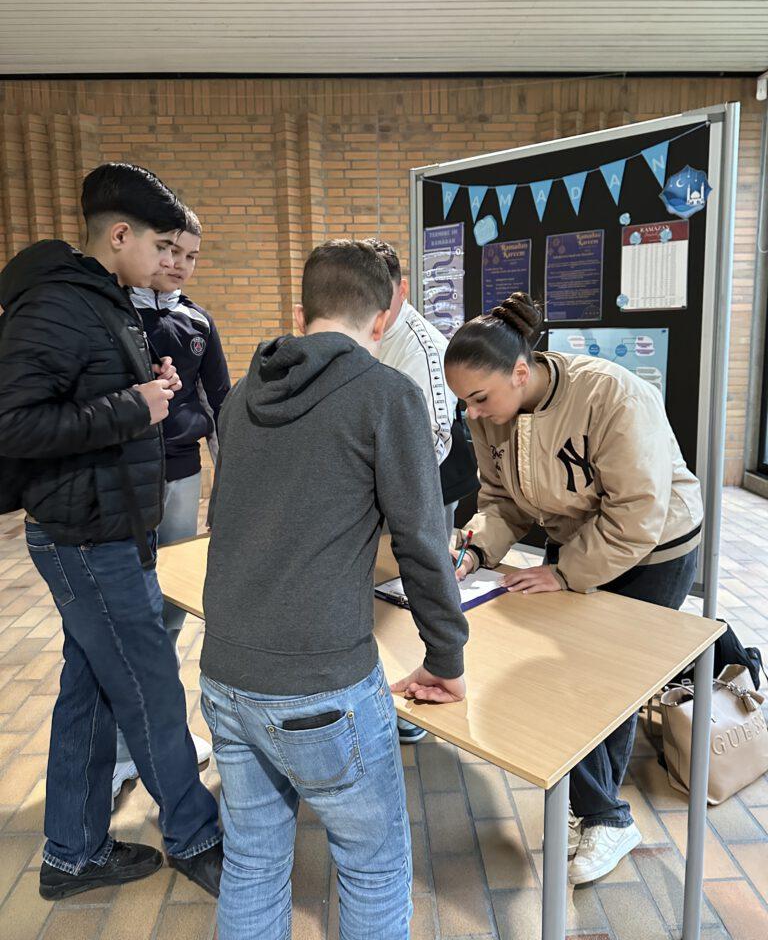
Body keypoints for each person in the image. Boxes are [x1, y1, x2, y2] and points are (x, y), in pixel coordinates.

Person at [199, 239, 469, 940]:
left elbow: (223, 520)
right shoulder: (386, 393)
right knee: (373, 865)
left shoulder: (239, 395)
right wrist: (446, 657)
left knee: (255, 865)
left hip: (225, 674)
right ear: (383, 319)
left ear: (302, 311)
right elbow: (418, 541)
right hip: (321, 684)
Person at [0, 163, 222, 900]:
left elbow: (92, 395)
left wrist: (150, 385)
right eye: (162, 246)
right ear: (119, 234)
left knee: (91, 690)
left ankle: (72, 852)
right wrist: (136, 406)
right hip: (86, 536)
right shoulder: (58, 305)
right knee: (151, 686)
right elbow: (15, 424)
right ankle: (197, 833)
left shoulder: (103, 300)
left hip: (105, 525)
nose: (172, 261)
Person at [445, 292, 703, 886]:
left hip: (655, 547)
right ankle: (600, 810)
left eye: (480, 399)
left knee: (598, 683)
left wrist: (562, 573)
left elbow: (639, 511)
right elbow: (501, 499)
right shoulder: (489, 413)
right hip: (579, 542)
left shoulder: (610, 394)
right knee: (573, 679)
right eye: (465, 403)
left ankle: (607, 818)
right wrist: (477, 548)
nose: (475, 415)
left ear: (520, 370)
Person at [111, 206, 231, 802]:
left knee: (173, 608)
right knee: (127, 615)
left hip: (182, 479)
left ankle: (159, 738)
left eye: (190, 257)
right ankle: (118, 751)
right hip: (121, 485)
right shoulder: (111, 315)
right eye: (169, 252)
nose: (178, 265)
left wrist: (228, 483)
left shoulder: (197, 320)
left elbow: (222, 401)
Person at [363, 237, 479, 745]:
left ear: (402, 289)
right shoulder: (365, 327)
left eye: (382, 296)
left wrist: (385, 490)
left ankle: (419, 701)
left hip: (428, 484)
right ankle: (388, 680)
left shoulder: (423, 344)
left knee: (421, 583)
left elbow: (433, 438)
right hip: (381, 483)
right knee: (383, 590)